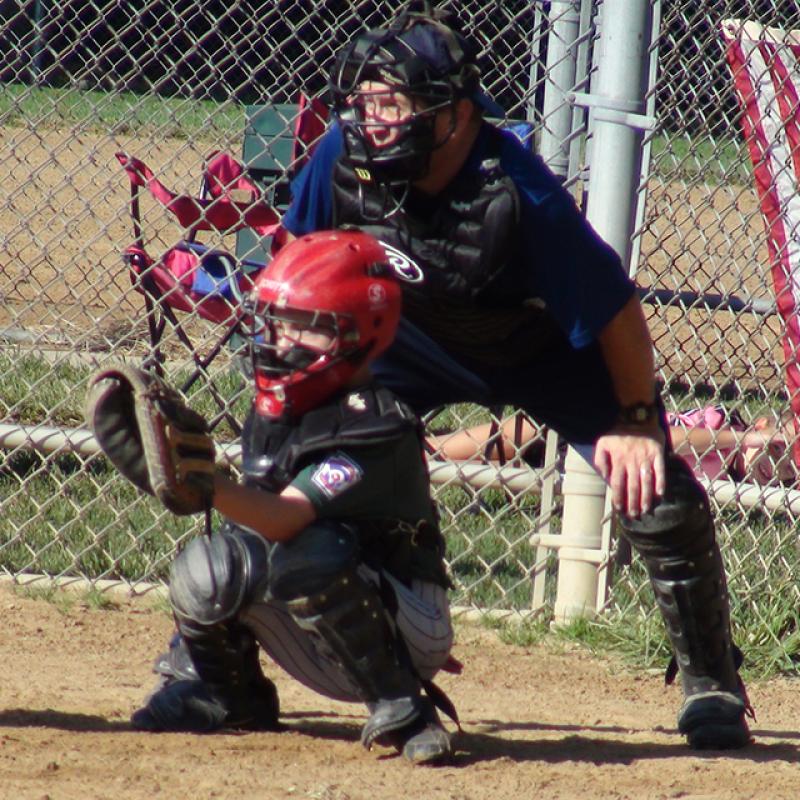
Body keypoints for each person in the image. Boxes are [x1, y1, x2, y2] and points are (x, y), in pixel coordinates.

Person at [277, 3, 753, 749]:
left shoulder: (517, 191)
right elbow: (297, 263)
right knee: (291, 446)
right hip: (410, 339)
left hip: (540, 350)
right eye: (364, 104)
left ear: (457, 114)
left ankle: (712, 682)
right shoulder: (340, 157)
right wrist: (304, 384)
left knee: (657, 493)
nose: (372, 123)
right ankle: (213, 664)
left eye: (393, 105)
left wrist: (635, 422)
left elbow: (616, 310)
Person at [130, 230, 456, 765]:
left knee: (309, 548)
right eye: (276, 323)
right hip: (322, 614)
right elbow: (255, 523)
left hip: (407, 626)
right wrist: (174, 477)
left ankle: (404, 707)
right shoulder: (280, 407)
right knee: (211, 564)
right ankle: (224, 693)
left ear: (363, 333)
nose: (280, 341)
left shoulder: (376, 426)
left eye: (305, 327)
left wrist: (209, 484)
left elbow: (285, 520)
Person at [428, 406, 798, 485]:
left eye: (788, 471)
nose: (777, 467)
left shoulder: (741, 487)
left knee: (496, 469)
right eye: (776, 448)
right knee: (530, 434)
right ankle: (429, 447)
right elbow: (662, 438)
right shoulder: (721, 427)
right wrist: (742, 439)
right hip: (597, 442)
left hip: (608, 481)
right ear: (761, 427)